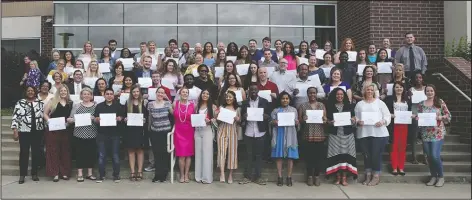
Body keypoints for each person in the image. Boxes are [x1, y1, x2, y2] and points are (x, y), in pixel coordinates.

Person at [355, 83, 391, 186]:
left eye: (371, 90)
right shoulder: (359, 104)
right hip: (364, 133)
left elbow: (387, 116)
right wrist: (358, 121)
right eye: (367, 90)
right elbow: (356, 117)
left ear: (374, 91)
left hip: (379, 133)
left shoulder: (380, 103)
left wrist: (383, 122)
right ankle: (368, 175)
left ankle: (376, 176)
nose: (369, 91)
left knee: (376, 155)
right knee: (367, 155)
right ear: (364, 91)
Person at [416, 84, 451, 187]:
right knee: (428, 157)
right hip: (425, 134)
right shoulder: (421, 104)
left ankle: (440, 177)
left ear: (434, 92)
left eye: (431, 91)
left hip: (437, 133)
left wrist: (441, 117)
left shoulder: (440, 102)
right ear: (425, 92)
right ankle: (433, 176)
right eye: (427, 91)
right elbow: (419, 116)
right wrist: (417, 118)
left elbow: (449, 115)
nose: (429, 92)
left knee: (435, 156)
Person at [11, 86, 45, 184]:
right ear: (26, 92)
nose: (30, 92)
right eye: (28, 91)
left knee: (36, 153)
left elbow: (44, 116)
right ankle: (22, 175)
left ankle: (34, 173)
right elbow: (15, 117)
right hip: (24, 131)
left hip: (37, 131)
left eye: (32, 91)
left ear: (35, 92)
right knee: (24, 153)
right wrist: (15, 130)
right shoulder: (20, 103)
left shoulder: (40, 103)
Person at [239, 84, 270, 185]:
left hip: (260, 132)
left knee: (258, 155)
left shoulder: (264, 101)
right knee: (248, 155)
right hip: (248, 132)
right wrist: (243, 117)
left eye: (255, 90)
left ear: (258, 91)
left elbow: (269, 115)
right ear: (248, 91)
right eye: (251, 89)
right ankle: (247, 176)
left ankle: (258, 177)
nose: (253, 91)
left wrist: (266, 116)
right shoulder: (244, 103)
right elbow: (241, 120)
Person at [325, 88, 357, 186]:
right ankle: (338, 177)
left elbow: (354, 121)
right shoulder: (329, 106)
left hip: (347, 135)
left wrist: (353, 120)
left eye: (342, 94)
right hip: (335, 135)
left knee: (346, 156)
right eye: (338, 94)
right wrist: (329, 122)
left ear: (344, 96)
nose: (340, 96)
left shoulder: (350, 106)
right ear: (334, 96)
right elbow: (326, 121)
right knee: (336, 156)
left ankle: (344, 177)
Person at [66, 87, 97, 182]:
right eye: (84, 94)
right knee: (80, 154)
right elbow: (70, 119)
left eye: (88, 94)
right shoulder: (77, 106)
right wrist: (72, 120)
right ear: (81, 95)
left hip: (92, 133)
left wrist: (94, 118)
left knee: (91, 154)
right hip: (79, 134)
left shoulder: (96, 106)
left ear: (91, 95)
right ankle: (79, 174)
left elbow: (99, 119)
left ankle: (89, 173)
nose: (86, 96)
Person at [298, 87, 327, 186]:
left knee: (318, 157)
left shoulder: (321, 105)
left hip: (319, 135)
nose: (312, 95)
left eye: (314, 93)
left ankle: (317, 176)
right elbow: (299, 121)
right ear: (307, 94)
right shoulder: (303, 105)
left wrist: (324, 119)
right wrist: (303, 119)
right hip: (307, 135)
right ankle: (310, 176)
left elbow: (325, 120)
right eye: (310, 93)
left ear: (316, 94)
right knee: (309, 157)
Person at [43, 85, 73, 182]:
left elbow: (72, 116)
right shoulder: (53, 101)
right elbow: (44, 114)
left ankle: (64, 173)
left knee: (65, 151)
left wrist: (70, 120)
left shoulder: (70, 103)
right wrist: (49, 121)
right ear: (58, 91)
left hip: (66, 130)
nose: (63, 92)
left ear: (67, 92)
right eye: (61, 90)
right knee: (53, 151)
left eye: (65, 90)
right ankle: (55, 173)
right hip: (53, 130)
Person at [94, 88, 124, 183]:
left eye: (111, 94)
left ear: (113, 95)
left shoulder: (118, 106)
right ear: (104, 95)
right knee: (101, 155)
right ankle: (101, 175)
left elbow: (123, 118)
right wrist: (97, 119)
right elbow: (95, 118)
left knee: (115, 155)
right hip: (102, 134)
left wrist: (120, 118)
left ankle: (116, 175)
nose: (109, 95)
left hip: (115, 134)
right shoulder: (99, 106)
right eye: (107, 94)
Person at [270, 91, 299, 187]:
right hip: (279, 134)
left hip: (290, 134)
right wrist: (274, 122)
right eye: (283, 98)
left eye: (287, 98)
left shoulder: (294, 110)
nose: (285, 100)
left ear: (290, 100)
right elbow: (271, 123)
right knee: (279, 157)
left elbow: (297, 125)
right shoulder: (275, 110)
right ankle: (280, 177)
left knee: (290, 157)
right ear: (280, 100)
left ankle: (289, 177)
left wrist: (297, 123)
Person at [386, 81, 413, 176]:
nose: (399, 89)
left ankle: (401, 167)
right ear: (394, 88)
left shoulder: (408, 100)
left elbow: (410, 112)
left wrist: (412, 116)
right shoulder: (389, 99)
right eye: (397, 87)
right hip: (394, 125)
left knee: (403, 147)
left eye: (401, 87)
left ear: (403, 89)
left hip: (404, 125)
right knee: (394, 146)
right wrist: (391, 115)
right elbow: (385, 113)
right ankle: (394, 167)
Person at [147, 87, 173, 182]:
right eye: (159, 92)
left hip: (166, 132)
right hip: (154, 132)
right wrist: (148, 129)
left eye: (162, 93)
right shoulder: (150, 104)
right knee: (156, 153)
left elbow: (174, 114)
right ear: (156, 93)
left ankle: (163, 174)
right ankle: (157, 174)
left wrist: (169, 99)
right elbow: (150, 118)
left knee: (164, 153)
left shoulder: (167, 103)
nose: (160, 94)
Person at [123, 85, 149, 181]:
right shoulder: (127, 103)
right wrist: (125, 119)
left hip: (141, 130)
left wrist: (145, 120)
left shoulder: (144, 102)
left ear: (140, 92)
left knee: (140, 150)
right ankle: (133, 171)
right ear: (131, 93)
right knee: (131, 151)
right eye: (134, 92)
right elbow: (124, 116)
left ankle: (140, 171)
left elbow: (147, 115)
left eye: (137, 91)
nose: (135, 93)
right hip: (130, 130)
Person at [216, 90, 241, 184]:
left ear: (234, 98)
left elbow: (240, 122)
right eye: (227, 97)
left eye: (230, 97)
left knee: (232, 153)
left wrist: (237, 119)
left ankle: (230, 175)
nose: (228, 98)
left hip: (233, 132)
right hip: (222, 130)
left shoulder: (237, 109)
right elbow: (217, 121)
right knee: (222, 152)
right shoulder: (221, 107)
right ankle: (222, 173)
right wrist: (218, 115)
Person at [194, 89, 218, 184]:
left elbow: (216, 120)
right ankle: (198, 177)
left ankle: (206, 177)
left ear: (209, 96)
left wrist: (211, 120)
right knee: (198, 153)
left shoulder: (213, 106)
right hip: (197, 130)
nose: (205, 95)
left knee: (207, 154)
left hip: (207, 130)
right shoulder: (197, 106)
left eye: (207, 93)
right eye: (203, 93)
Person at [173, 88, 195, 183]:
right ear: (179, 93)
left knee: (188, 155)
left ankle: (186, 174)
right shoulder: (175, 104)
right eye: (183, 92)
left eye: (186, 92)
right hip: (178, 131)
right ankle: (181, 174)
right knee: (181, 155)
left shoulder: (193, 105)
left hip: (189, 131)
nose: (185, 94)